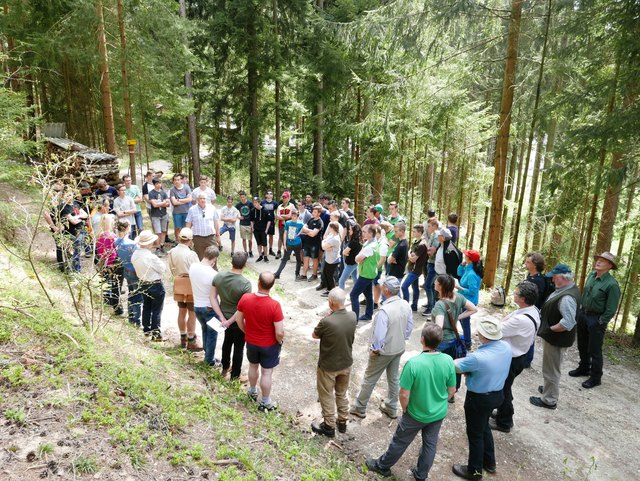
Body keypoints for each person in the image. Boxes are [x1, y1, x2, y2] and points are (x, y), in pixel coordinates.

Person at [366, 323, 456, 480]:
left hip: (415, 414)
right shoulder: (448, 360)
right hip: (438, 414)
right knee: (430, 444)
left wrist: (405, 408)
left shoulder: (414, 364)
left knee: (400, 441)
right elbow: (452, 390)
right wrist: (440, 403)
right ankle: (421, 475)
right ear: (439, 342)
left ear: (422, 340)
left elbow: (404, 394)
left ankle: (382, 466)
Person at [452, 318, 511, 481]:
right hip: (497, 395)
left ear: (483, 336)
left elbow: (455, 366)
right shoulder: (506, 347)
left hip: (478, 399)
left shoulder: (478, 357)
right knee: (484, 427)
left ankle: (475, 471)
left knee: (475, 434)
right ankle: (490, 462)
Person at [350, 277, 413, 419]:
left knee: (370, 378)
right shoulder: (405, 304)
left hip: (384, 351)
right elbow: (409, 328)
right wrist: (402, 339)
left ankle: (360, 407)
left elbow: (379, 336)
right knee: (394, 378)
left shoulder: (384, 311)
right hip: (398, 347)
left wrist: (375, 349)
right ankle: (391, 407)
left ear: (386, 290)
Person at [490, 281, 539, 433]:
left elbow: (496, 330)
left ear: (523, 299)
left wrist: (497, 322)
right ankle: (502, 411)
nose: (513, 295)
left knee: (503, 389)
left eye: (516, 294)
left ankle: (504, 421)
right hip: (519, 356)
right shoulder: (532, 310)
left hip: (512, 359)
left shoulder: (520, 319)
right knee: (505, 387)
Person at [530, 264, 580, 409]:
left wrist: (550, 330)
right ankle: (549, 388)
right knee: (552, 366)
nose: (552, 280)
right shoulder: (567, 289)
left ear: (564, 277)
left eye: (554, 277)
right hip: (556, 338)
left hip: (556, 339)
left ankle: (549, 399)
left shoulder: (567, 298)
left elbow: (568, 323)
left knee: (551, 369)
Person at [311, 288, 357, 437]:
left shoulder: (326, 321)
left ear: (331, 302)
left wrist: (327, 317)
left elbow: (314, 335)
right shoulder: (353, 316)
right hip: (346, 362)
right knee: (342, 393)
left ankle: (329, 426)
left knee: (326, 394)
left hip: (328, 365)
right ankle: (342, 421)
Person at [569, 252, 620, 388]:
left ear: (610, 266)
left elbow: (611, 308)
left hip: (596, 319)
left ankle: (596, 377)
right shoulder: (591, 276)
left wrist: (600, 321)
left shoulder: (612, 284)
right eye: (598, 259)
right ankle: (584, 368)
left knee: (594, 349)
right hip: (583, 314)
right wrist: (580, 311)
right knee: (582, 344)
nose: (598, 261)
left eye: (603, 261)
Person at [235, 272, 284, 412]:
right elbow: (279, 332)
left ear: (258, 283)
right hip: (269, 345)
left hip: (251, 341)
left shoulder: (245, 298)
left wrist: (246, 332)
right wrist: (279, 341)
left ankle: (251, 391)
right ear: (272, 286)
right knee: (267, 372)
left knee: (252, 366)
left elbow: (239, 319)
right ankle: (265, 401)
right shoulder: (275, 305)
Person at [432, 274, 477, 394]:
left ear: (441, 286)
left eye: (436, 282)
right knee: (453, 367)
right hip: (455, 340)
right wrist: (458, 317)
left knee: (439, 369)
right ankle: (452, 392)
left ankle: (438, 392)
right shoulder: (458, 297)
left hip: (442, 343)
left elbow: (438, 328)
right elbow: (473, 308)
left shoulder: (440, 305)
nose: (434, 283)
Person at [212, 252, 252, 381]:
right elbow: (242, 307)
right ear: (245, 264)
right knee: (239, 348)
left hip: (223, 317)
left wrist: (223, 318)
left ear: (231, 262)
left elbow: (212, 298)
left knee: (227, 343)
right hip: (237, 320)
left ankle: (224, 368)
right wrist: (230, 321)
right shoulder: (246, 284)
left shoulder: (219, 276)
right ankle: (235, 376)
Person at [167, 227, 201, 351]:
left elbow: (171, 269)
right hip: (190, 283)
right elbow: (197, 270)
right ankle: (191, 339)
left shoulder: (171, 252)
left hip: (179, 281)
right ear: (190, 240)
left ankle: (183, 337)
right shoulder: (191, 254)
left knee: (182, 311)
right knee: (192, 313)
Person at [131, 230, 166, 341]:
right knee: (156, 309)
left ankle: (147, 329)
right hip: (155, 284)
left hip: (143, 283)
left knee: (146, 306)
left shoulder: (135, 255)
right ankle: (156, 333)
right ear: (149, 243)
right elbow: (163, 268)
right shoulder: (151, 257)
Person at [189, 246, 221, 366]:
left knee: (204, 330)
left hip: (197, 305)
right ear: (214, 259)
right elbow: (216, 294)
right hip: (209, 308)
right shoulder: (214, 274)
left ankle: (208, 355)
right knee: (212, 334)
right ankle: (209, 361)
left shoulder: (193, 267)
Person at [523, 251, 552, 367]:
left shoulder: (538, 281)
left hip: (533, 311)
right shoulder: (531, 276)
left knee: (529, 335)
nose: (525, 263)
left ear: (535, 265)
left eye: (528, 262)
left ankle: (527, 361)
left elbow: (535, 299)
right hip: (527, 310)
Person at [115, 220, 142, 327]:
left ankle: (131, 316)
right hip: (134, 270)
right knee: (137, 295)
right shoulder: (131, 244)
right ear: (127, 229)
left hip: (126, 269)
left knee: (131, 292)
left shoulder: (116, 242)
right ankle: (136, 319)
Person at [350, 224, 379, 321]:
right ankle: (368, 315)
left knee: (353, 295)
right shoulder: (372, 243)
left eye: (364, 232)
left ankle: (354, 320)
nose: (362, 234)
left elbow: (357, 259)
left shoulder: (370, 246)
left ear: (370, 234)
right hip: (369, 273)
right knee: (368, 295)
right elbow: (360, 257)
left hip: (366, 274)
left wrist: (360, 257)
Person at [456, 250, 484, 349]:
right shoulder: (468, 268)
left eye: (466, 256)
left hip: (469, 301)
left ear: (470, 260)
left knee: (465, 320)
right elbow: (459, 273)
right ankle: (467, 339)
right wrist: (461, 265)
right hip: (463, 298)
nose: (464, 256)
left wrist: (460, 288)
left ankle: (468, 342)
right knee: (462, 319)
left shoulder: (472, 274)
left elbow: (472, 291)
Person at [96, 214, 123, 315]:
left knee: (106, 282)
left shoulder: (99, 235)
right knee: (114, 284)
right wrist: (112, 263)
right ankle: (113, 303)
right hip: (111, 263)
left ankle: (107, 301)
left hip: (103, 262)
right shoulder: (112, 236)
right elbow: (113, 252)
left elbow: (100, 251)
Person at [185, 192, 221, 261]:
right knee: (200, 258)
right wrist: (188, 237)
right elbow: (188, 224)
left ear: (206, 199)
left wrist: (218, 235)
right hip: (198, 238)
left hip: (210, 238)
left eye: (204, 198)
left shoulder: (212, 208)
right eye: (200, 198)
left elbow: (216, 222)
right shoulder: (192, 210)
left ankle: (213, 271)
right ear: (197, 200)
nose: (202, 200)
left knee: (213, 257)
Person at [401, 225, 428, 312]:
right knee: (415, 287)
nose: (413, 233)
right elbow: (411, 252)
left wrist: (409, 254)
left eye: (414, 231)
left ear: (420, 232)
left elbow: (413, 258)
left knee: (404, 286)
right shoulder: (416, 241)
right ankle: (414, 306)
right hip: (412, 268)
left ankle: (406, 305)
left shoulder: (422, 244)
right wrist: (410, 253)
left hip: (416, 270)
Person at [274, 210, 304, 280]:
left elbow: (304, 228)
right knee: (284, 259)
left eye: (295, 216)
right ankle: (277, 274)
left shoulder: (300, 224)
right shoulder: (288, 223)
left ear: (297, 217)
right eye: (292, 216)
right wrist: (284, 244)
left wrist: (300, 233)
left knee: (298, 259)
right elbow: (285, 233)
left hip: (297, 244)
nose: (293, 217)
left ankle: (297, 274)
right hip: (289, 244)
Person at [421, 217, 440, 317]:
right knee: (431, 285)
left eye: (429, 226)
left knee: (428, 285)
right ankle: (431, 304)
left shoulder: (437, 235)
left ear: (435, 226)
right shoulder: (433, 235)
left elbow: (431, 252)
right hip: (431, 263)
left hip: (434, 264)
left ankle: (431, 308)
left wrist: (426, 248)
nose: (427, 228)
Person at [147, 178, 170, 257]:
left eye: (160, 183)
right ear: (154, 184)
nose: (159, 185)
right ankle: (157, 248)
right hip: (155, 215)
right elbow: (154, 205)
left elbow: (168, 204)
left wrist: (160, 203)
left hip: (164, 214)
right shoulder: (151, 193)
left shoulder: (164, 193)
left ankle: (162, 246)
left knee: (163, 231)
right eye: (157, 183)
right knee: (158, 232)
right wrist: (163, 202)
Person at [300, 206, 323, 280]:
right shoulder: (311, 219)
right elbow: (303, 228)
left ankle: (314, 275)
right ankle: (304, 275)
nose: (313, 213)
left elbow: (313, 234)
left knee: (314, 259)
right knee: (305, 258)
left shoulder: (320, 222)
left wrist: (307, 231)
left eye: (315, 212)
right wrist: (310, 231)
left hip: (315, 244)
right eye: (313, 211)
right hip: (307, 243)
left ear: (319, 213)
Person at [320, 222, 342, 296]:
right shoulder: (331, 235)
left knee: (329, 276)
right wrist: (325, 244)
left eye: (329, 227)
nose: (328, 229)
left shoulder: (335, 239)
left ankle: (332, 292)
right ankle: (329, 290)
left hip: (333, 260)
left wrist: (324, 243)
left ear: (332, 228)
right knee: (326, 274)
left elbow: (323, 247)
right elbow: (325, 244)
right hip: (329, 258)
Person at [169, 173, 193, 241]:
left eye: (178, 180)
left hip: (186, 211)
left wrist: (179, 200)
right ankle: (178, 241)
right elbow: (174, 202)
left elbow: (190, 199)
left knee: (186, 228)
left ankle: (187, 241)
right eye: (175, 180)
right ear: (173, 181)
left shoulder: (186, 187)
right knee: (177, 228)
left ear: (181, 180)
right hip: (177, 212)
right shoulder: (172, 190)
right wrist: (185, 200)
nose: (177, 181)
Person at [338, 223, 361, 290]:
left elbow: (344, 252)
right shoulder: (358, 240)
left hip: (351, 263)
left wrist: (345, 252)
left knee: (341, 281)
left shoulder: (354, 242)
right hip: (354, 262)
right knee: (355, 278)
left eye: (350, 230)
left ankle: (340, 296)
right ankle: (357, 292)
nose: (349, 231)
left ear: (354, 231)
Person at [275, 192, 297, 259]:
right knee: (281, 238)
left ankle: (287, 254)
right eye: (283, 197)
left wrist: (282, 216)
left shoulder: (292, 206)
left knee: (288, 239)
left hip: (290, 225)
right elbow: (277, 217)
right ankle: (279, 252)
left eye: (286, 197)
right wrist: (285, 216)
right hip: (281, 225)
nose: (284, 199)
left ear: (288, 198)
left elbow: (290, 216)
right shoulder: (279, 206)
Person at [250, 196, 272, 262]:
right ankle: (260, 256)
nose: (255, 204)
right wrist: (252, 227)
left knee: (264, 244)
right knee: (258, 243)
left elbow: (269, 221)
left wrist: (266, 230)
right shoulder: (253, 210)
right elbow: (251, 220)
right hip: (256, 230)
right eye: (254, 202)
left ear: (259, 202)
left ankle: (265, 256)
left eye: (256, 202)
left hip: (263, 230)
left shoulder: (265, 210)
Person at [236, 190, 254, 257]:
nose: (242, 198)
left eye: (243, 197)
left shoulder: (250, 203)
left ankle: (250, 251)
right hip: (242, 224)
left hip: (249, 224)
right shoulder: (238, 204)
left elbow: (253, 213)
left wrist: (253, 225)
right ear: (240, 197)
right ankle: (245, 252)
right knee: (244, 239)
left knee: (250, 240)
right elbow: (234, 211)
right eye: (241, 197)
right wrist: (238, 217)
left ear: (245, 197)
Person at [261, 190, 279, 257]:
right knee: (264, 235)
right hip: (264, 222)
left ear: (272, 195)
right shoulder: (262, 202)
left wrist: (275, 220)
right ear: (265, 195)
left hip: (271, 222)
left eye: (271, 193)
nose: (269, 195)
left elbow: (277, 212)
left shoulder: (275, 203)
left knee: (271, 236)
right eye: (268, 193)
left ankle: (270, 250)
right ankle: (264, 250)